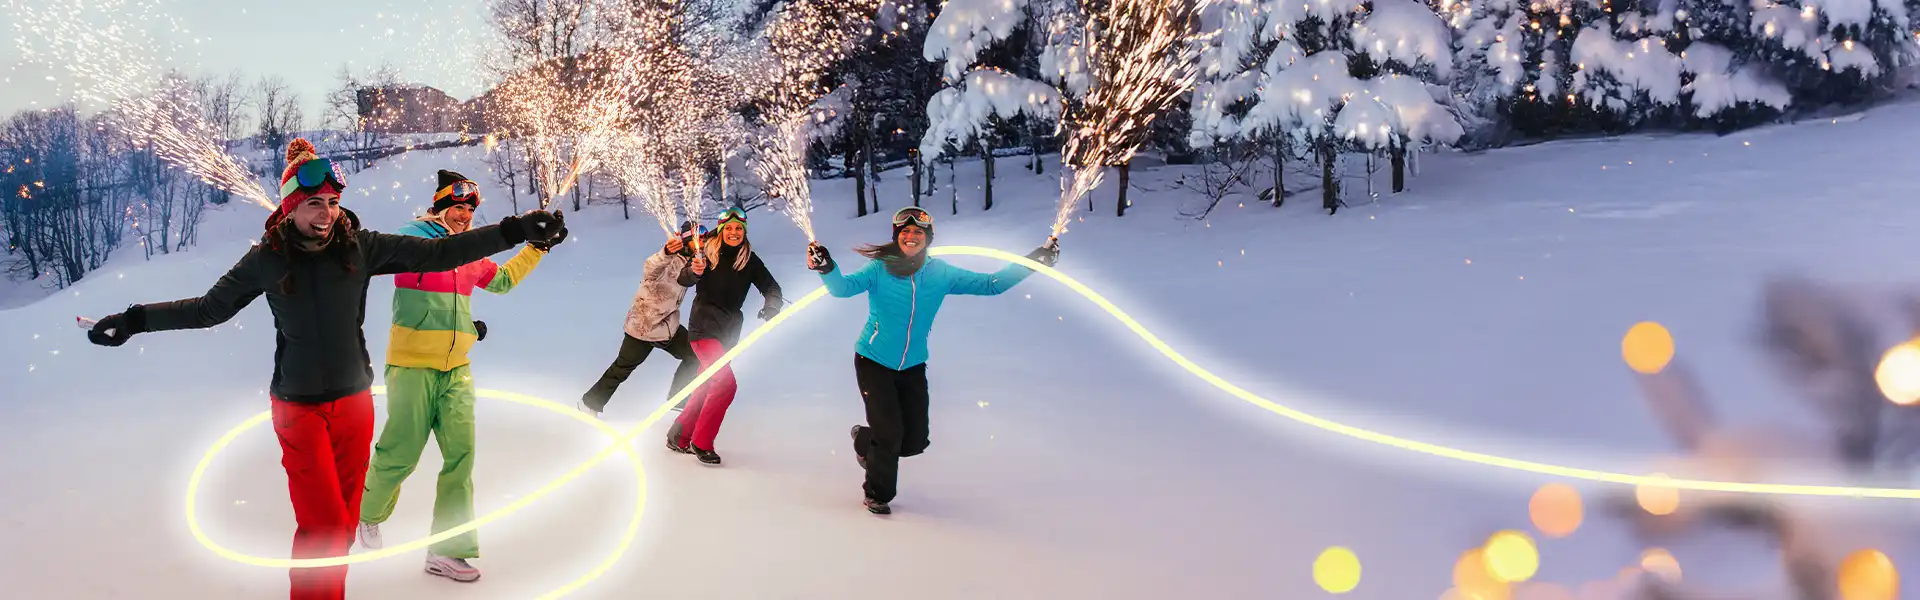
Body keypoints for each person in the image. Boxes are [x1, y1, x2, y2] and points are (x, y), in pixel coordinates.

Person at [82, 139, 565, 600]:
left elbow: (442, 253)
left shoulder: (361, 247)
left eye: (333, 201)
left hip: (355, 406)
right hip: (298, 408)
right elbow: (208, 310)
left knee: (342, 529)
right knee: (324, 529)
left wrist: (518, 231)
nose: (328, 212)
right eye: (316, 202)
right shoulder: (267, 260)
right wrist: (135, 320)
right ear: (291, 206)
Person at [355, 170, 567, 582]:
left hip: (457, 370)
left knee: (461, 458)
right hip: (412, 366)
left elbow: (501, 281)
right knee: (400, 453)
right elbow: (432, 253)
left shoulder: (470, 253)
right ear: (438, 206)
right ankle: (364, 514)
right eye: (457, 207)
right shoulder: (413, 238)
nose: (465, 215)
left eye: (471, 209)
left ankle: (447, 550)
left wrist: (538, 248)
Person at [804, 206, 1059, 515]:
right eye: (906, 232)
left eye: (918, 233)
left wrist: (1034, 261)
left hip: (912, 365)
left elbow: (992, 284)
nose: (911, 237)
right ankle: (877, 493)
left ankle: (863, 440)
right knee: (889, 436)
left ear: (928, 238)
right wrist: (826, 267)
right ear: (897, 236)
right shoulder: (879, 269)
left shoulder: (941, 273)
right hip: (873, 360)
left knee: (913, 441)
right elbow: (843, 290)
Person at [669, 207, 784, 465]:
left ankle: (679, 434)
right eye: (729, 228)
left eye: (739, 228)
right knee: (725, 384)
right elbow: (684, 277)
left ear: (744, 231)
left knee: (707, 382)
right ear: (721, 230)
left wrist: (772, 305)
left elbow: (772, 287)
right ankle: (701, 441)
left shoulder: (749, 260)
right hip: (704, 328)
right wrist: (694, 271)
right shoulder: (707, 252)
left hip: (729, 332)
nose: (734, 232)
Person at [577, 221, 706, 422]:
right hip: (643, 327)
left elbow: (687, 277)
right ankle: (588, 404)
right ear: (688, 239)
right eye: (699, 237)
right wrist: (665, 252)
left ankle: (678, 400)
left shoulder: (694, 261)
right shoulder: (668, 259)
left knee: (695, 355)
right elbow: (650, 268)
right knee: (622, 368)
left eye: (704, 236)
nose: (702, 241)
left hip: (667, 327)